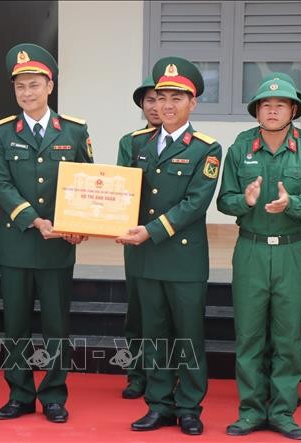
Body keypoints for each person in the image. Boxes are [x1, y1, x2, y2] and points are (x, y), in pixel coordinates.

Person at [116, 57, 222, 435]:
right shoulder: (135, 143)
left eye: (177, 97)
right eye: (161, 97)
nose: (167, 105)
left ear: (193, 103)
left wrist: (150, 230)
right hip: (144, 257)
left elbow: (195, 203)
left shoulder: (207, 149)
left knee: (188, 333)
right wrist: (112, 220)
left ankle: (189, 405)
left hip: (183, 258)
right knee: (153, 333)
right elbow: (121, 191)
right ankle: (159, 403)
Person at [0, 43, 92, 424]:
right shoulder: (0, 133)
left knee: (55, 326)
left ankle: (53, 395)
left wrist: (80, 225)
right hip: (18, 242)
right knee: (14, 325)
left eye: (34, 85)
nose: (27, 93)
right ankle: (19, 394)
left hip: (59, 246)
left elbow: (87, 185)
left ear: (50, 85)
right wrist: (33, 219)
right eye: (20, 87)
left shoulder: (75, 131)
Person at [217, 79, 301, 439]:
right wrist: (245, 201)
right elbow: (224, 199)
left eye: (282, 104)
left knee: (287, 335)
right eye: (266, 104)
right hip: (252, 248)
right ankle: (249, 410)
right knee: (248, 333)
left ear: (294, 110)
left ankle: (282, 410)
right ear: (257, 110)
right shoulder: (241, 147)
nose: (273, 110)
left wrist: (291, 204)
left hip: (292, 248)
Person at [116, 75, 162, 400]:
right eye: (150, 100)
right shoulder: (131, 141)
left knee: (167, 311)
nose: (157, 106)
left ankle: (165, 371)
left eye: (163, 98)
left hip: (171, 239)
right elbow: (120, 187)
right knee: (137, 308)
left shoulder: (193, 144)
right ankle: (136, 373)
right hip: (135, 236)